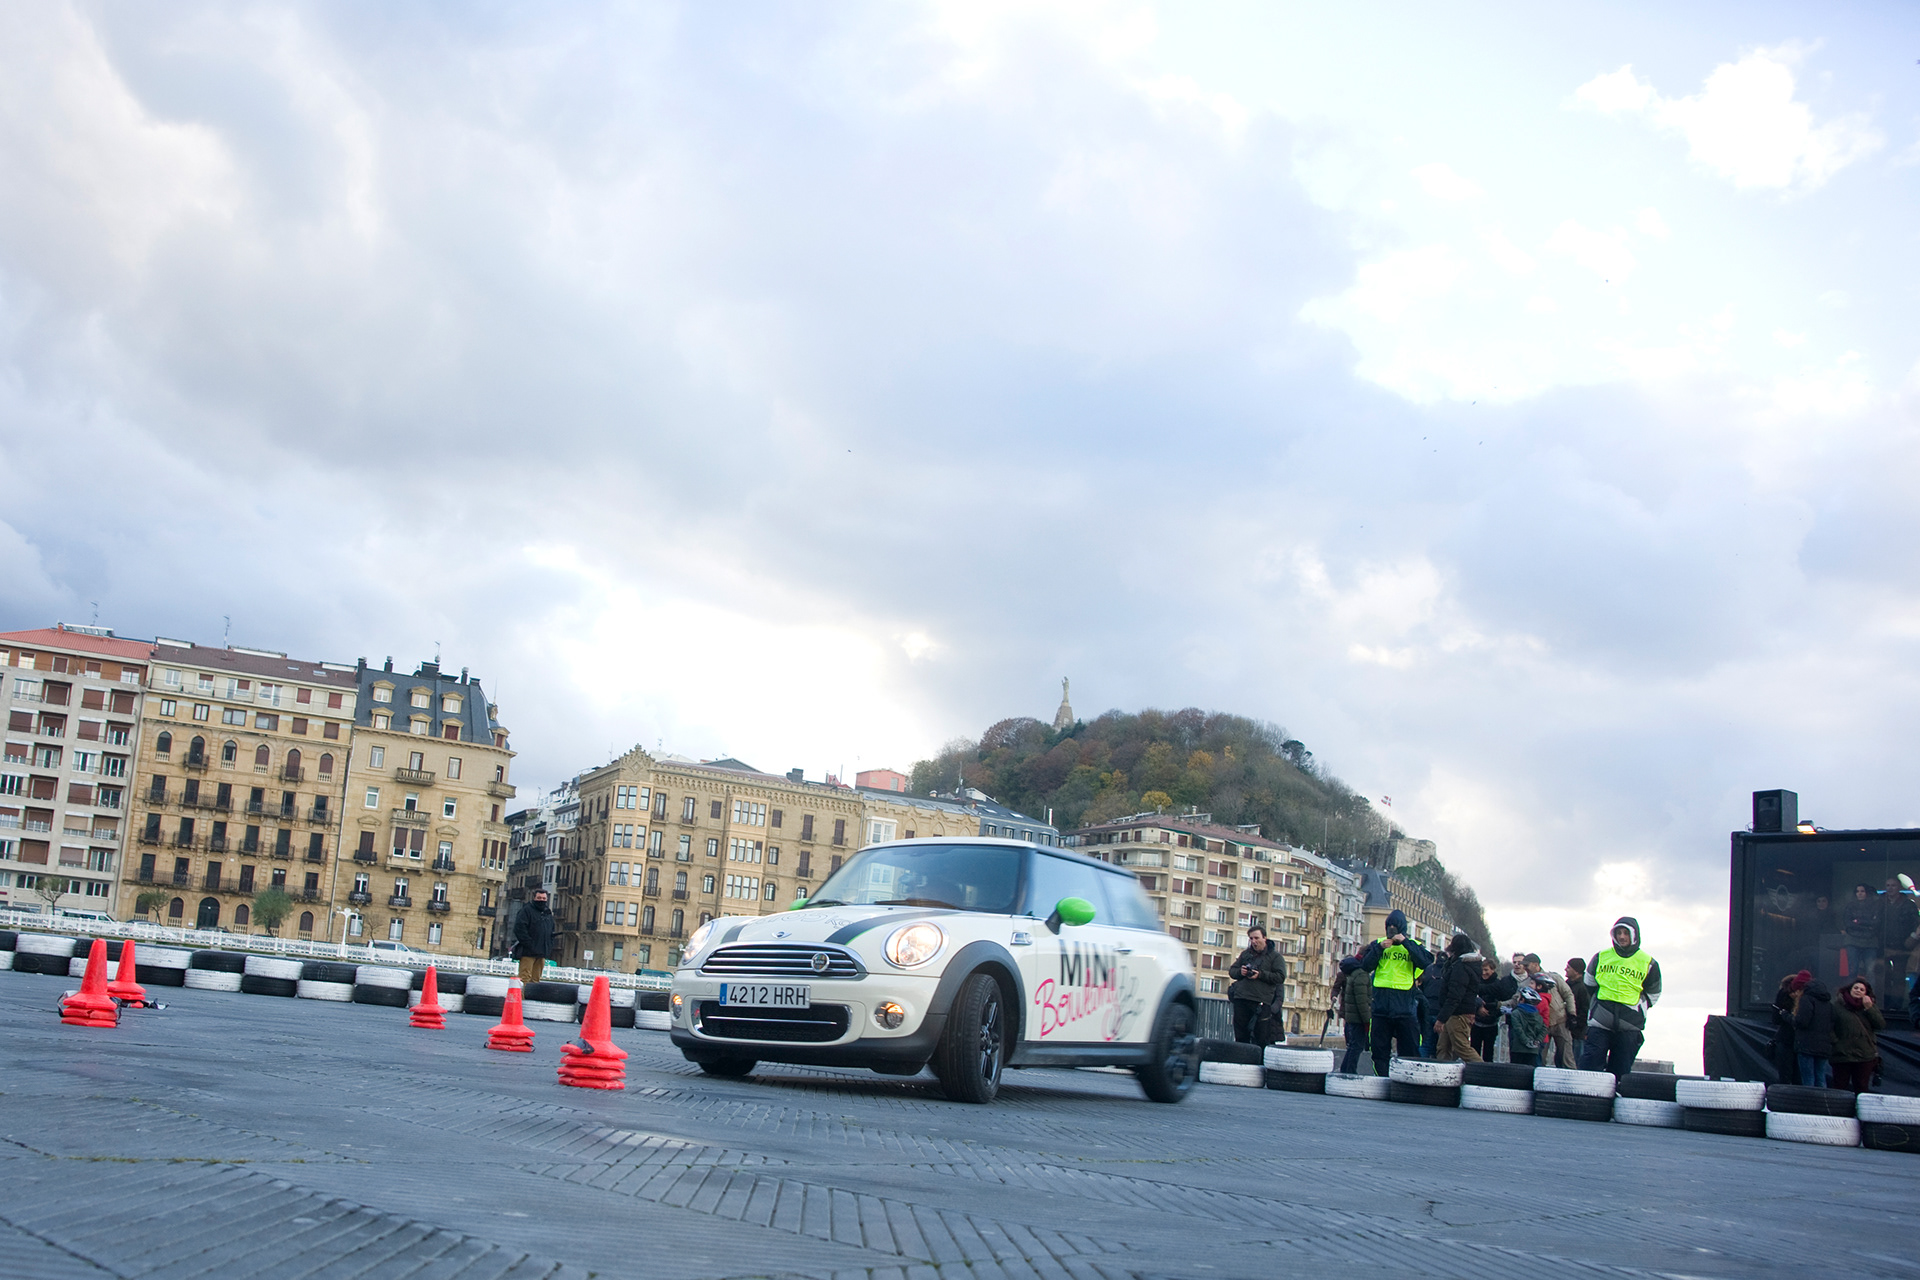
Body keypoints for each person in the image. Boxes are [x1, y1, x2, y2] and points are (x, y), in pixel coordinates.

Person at [1342, 909, 1433, 1077]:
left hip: (1404, 1004)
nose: (1392, 929)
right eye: (1389, 926)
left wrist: (1405, 943)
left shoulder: (1413, 944)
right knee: (1379, 1049)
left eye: (1395, 926)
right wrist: (1379, 949)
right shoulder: (1378, 943)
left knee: (1410, 1049)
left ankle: (1405, 1080)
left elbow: (1426, 961)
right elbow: (1365, 966)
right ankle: (1383, 1079)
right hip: (1381, 1005)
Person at [1580, 916, 1662, 1079]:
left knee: (1621, 1070)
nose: (1622, 937)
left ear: (1634, 935)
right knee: (1590, 1065)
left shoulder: (1649, 962)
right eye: (1619, 933)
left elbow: (1654, 992)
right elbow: (1589, 983)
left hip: (1629, 1024)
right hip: (1600, 1021)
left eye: (1626, 933)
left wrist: (1638, 1008)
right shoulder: (1600, 956)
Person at [1227, 926, 1286, 1045]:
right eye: (1251, 938)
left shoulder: (1275, 957)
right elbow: (1232, 971)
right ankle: (1242, 1056)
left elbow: (1280, 977)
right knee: (1241, 1037)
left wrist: (1260, 975)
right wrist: (1241, 972)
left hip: (1261, 1002)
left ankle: (1258, 1056)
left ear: (1265, 938)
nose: (1254, 941)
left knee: (1261, 1038)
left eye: (1256, 938)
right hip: (1241, 999)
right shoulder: (1245, 954)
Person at [1430, 933, 1482, 1062]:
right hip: (1456, 1013)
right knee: (1443, 1047)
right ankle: (1443, 1071)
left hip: (1457, 1014)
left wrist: (1441, 1018)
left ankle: (1484, 1070)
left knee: (1462, 1048)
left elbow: (1454, 995)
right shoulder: (1472, 965)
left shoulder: (1460, 967)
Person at [1830, 978, 1885, 1092]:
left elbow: (1880, 1025)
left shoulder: (1870, 1006)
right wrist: (1836, 1043)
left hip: (1864, 1055)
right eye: (1855, 988)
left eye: (1862, 989)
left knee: (1861, 1088)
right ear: (1850, 990)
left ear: (1866, 993)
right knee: (1839, 1087)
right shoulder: (1837, 1006)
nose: (1858, 990)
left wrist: (1869, 1008)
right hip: (1842, 1055)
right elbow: (1829, 1026)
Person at [1524, 954, 1577, 1068]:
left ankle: (1571, 1077)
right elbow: (1516, 999)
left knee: (1567, 1059)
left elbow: (1568, 994)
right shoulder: (1526, 983)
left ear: (1536, 965)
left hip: (1561, 1021)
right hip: (1541, 1025)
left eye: (1527, 965)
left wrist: (1572, 1014)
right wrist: (1499, 1005)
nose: (1525, 968)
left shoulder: (1554, 978)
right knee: (1539, 1059)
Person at [1791, 970, 1834, 1088]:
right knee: (1820, 1077)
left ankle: (1809, 1100)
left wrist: (1789, 1018)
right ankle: (1822, 1099)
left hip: (1806, 1045)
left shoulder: (1806, 999)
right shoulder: (1828, 1002)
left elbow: (1802, 1021)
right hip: (1824, 1045)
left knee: (1808, 1078)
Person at [1335, 957, 1373, 1074]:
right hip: (1358, 1018)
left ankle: (1345, 1069)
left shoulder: (1353, 974)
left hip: (1352, 1016)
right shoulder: (1361, 975)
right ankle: (1350, 1071)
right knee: (1356, 1046)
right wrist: (1367, 1020)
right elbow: (1362, 1001)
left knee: (1353, 1045)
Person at [511, 889, 557, 985]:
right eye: (539, 898)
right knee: (525, 978)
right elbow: (519, 929)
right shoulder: (526, 910)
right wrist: (529, 944)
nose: (541, 900)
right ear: (534, 898)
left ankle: (532, 994)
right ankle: (522, 994)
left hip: (542, 952)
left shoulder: (547, 912)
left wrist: (549, 944)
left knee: (536, 980)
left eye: (544, 898)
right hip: (528, 951)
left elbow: (551, 930)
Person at [1470, 958, 1509, 1062]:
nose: (1484, 973)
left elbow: (1502, 1003)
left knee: (1488, 1052)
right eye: (1482, 970)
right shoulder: (1475, 982)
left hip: (1491, 1023)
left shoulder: (1499, 985)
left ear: (1493, 970)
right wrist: (1478, 1009)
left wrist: (1491, 1014)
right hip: (1476, 1022)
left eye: (1486, 970)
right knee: (1474, 1051)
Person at [1841, 883, 1880, 985]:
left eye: (1862, 891)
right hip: (1852, 941)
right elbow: (1848, 924)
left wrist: (1858, 922)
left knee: (1870, 971)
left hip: (1870, 942)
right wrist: (1866, 925)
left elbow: (1875, 924)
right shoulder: (1850, 906)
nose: (1860, 893)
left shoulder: (1875, 907)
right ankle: (1850, 992)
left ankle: (1870, 993)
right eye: (1858, 891)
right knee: (1852, 970)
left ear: (1867, 893)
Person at [1768, 972, 1799, 1083]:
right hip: (1799, 1041)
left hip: (1785, 1039)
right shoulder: (1806, 999)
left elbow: (1776, 1020)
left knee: (1785, 1074)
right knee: (1799, 1076)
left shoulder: (1782, 996)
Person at [1563, 957, 1592, 1060]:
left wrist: (1576, 1024)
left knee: (1576, 1059)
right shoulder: (1567, 984)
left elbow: (1585, 1009)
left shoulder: (1583, 988)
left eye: (1568, 967)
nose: (1565, 969)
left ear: (1576, 971)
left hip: (1578, 1032)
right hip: (1567, 1029)